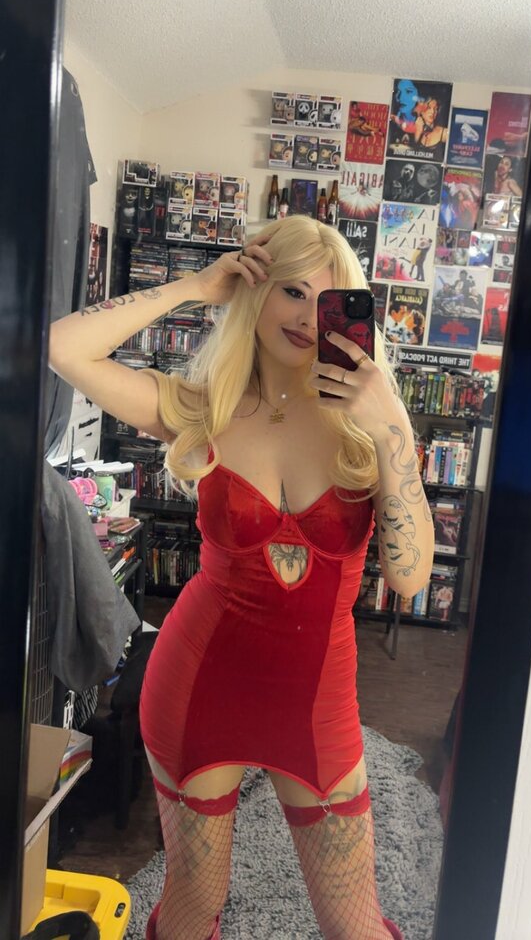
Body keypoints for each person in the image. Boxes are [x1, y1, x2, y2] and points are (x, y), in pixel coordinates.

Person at [49, 215, 434, 940]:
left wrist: (394, 429)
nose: (305, 316)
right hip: (199, 683)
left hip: (318, 697)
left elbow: (409, 581)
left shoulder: (367, 426)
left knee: (353, 925)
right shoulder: (206, 408)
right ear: (254, 291)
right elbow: (64, 346)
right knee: (194, 905)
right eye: (291, 290)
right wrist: (194, 287)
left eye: (327, 300)